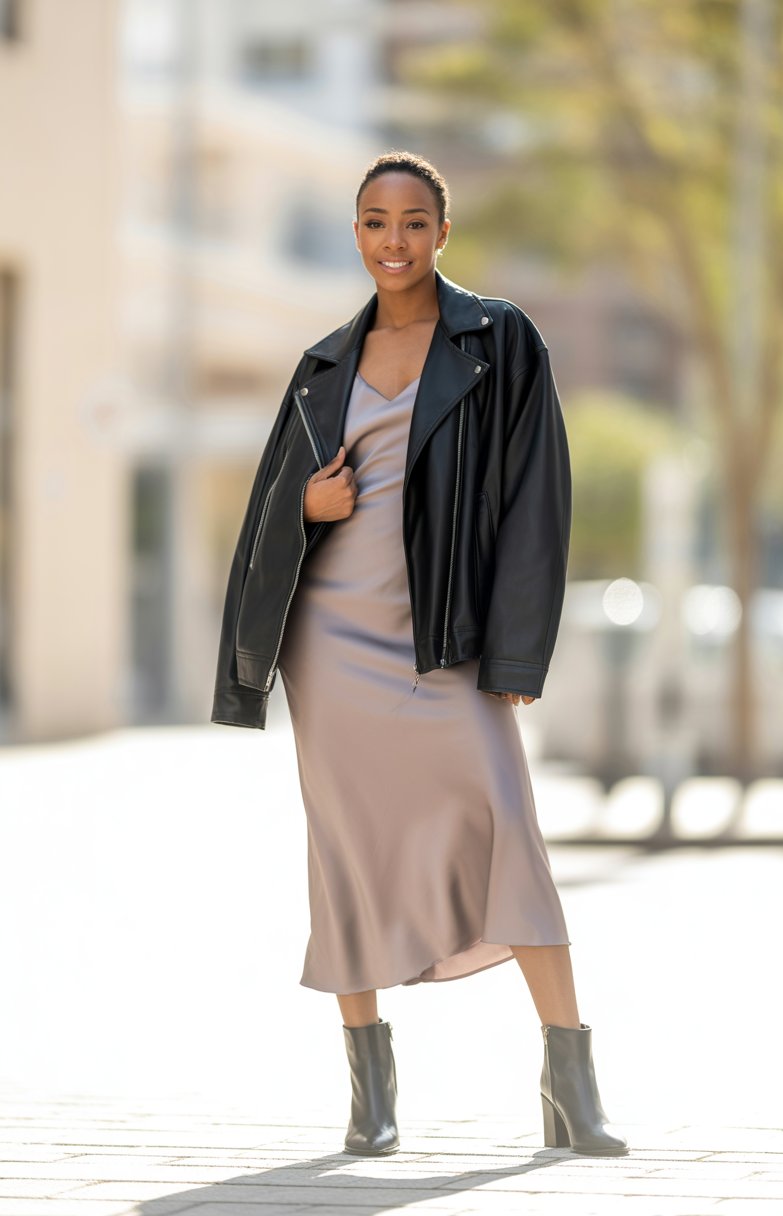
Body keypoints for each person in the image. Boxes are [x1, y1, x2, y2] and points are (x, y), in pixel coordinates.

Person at [210, 150, 628, 1158]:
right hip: (333, 641)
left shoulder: (498, 340)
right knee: (346, 853)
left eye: (409, 222)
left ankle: (570, 1078)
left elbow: (537, 499)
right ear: (355, 234)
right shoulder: (319, 368)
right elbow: (267, 513)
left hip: (444, 639)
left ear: (442, 233)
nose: (390, 240)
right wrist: (305, 506)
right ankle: (370, 1090)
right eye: (370, 222)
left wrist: (515, 653)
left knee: (504, 830)